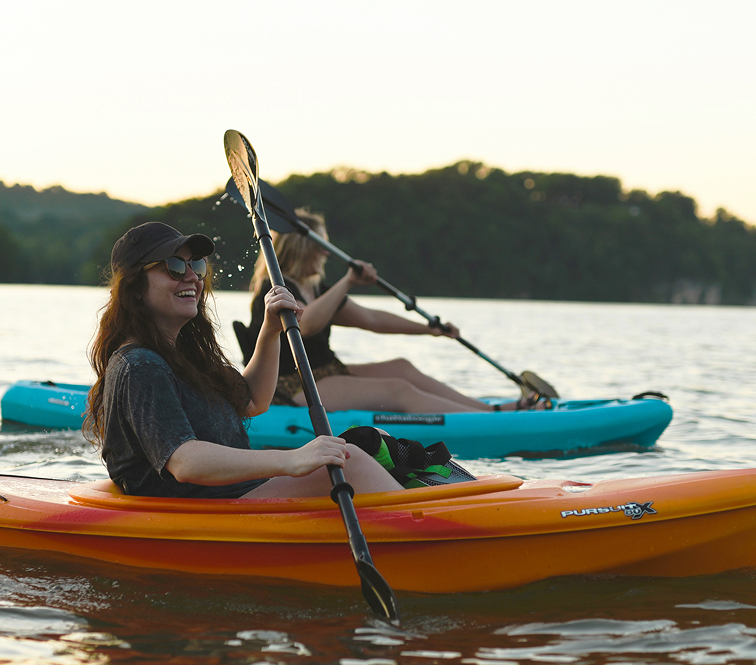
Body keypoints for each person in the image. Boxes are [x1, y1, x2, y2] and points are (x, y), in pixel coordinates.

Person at [84, 222, 403, 499]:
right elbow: (184, 462)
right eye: (174, 267)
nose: (192, 278)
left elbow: (253, 400)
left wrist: (269, 331)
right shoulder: (140, 364)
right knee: (353, 461)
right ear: (135, 288)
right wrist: (291, 460)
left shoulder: (183, 356)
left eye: (196, 266)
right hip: (199, 510)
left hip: (234, 494)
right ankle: (437, 529)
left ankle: (439, 502)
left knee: (374, 440)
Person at [248, 209, 548, 413]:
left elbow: (372, 319)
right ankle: (490, 421)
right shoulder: (274, 289)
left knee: (402, 367)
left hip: (326, 372)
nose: (327, 251)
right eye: (321, 244)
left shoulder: (318, 288)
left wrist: (429, 330)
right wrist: (349, 281)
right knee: (398, 389)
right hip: (293, 387)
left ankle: (492, 411)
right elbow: (305, 324)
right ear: (303, 247)